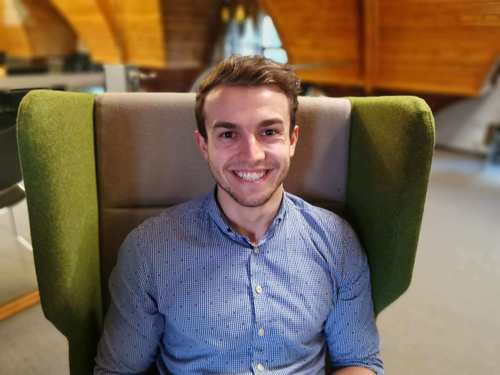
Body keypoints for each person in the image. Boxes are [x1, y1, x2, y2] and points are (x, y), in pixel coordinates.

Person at [94, 55, 383, 375]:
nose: (252, 155)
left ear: (292, 140)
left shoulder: (337, 240)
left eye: (269, 131)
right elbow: (116, 371)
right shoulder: (150, 248)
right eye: (228, 134)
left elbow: (359, 361)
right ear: (204, 145)